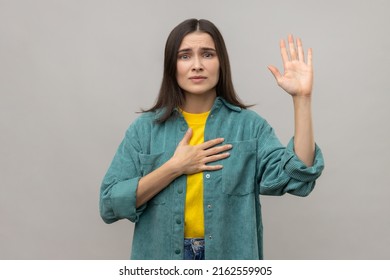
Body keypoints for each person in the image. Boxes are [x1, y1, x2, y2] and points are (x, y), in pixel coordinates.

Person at [99, 18, 324, 260]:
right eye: (185, 56)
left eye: (207, 54)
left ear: (221, 63)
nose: (197, 65)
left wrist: (302, 99)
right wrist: (174, 168)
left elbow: (298, 178)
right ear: (171, 65)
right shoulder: (145, 130)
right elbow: (110, 205)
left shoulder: (249, 127)